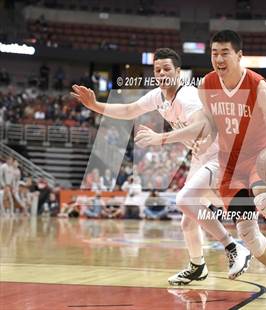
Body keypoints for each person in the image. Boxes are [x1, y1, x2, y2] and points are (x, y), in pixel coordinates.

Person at [135, 30, 266, 303]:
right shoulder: (206, 86)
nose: (219, 58)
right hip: (230, 164)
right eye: (214, 53)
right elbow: (208, 126)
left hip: (259, 156)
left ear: (239, 56)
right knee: (247, 232)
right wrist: (194, 139)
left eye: (225, 53)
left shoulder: (259, 87)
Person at [70, 47, 251, 285]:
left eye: (167, 69)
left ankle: (233, 247)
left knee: (184, 200)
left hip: (220, 155)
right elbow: (129, 110)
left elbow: (200, 126)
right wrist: (95, 106)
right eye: (158, 70)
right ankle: (197, 266)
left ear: (178, 72)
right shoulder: (158, 96)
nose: (162, 73)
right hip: (201, 157)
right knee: (188, 218)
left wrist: (160, 138)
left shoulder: (187, 96)